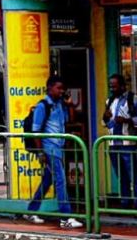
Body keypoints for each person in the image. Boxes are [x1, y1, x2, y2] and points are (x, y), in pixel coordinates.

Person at [26, 76, 83, 229]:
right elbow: (36, 131)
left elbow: (70, 121)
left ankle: (31, 210)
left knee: (48, 180)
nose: (61, 91)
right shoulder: (42, 106)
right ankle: (65, 217)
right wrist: (40, 153)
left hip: (58, 148)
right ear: (50, 88)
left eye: (62, 88)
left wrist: (70, 105)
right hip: (49, 148)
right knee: (60, 180)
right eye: (58, 88)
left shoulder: (59, 105)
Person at [103, 73, 137, 211]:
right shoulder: (109, 101)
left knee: (134, 176)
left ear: (122, 86)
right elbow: (106, 124)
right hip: (113, 144)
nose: (112, 89)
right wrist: (105, 118)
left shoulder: (133, 99)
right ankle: (125, 204)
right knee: (121, 176)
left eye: (114, 86)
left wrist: (127, 120)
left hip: (128, 144)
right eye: (110, 86)